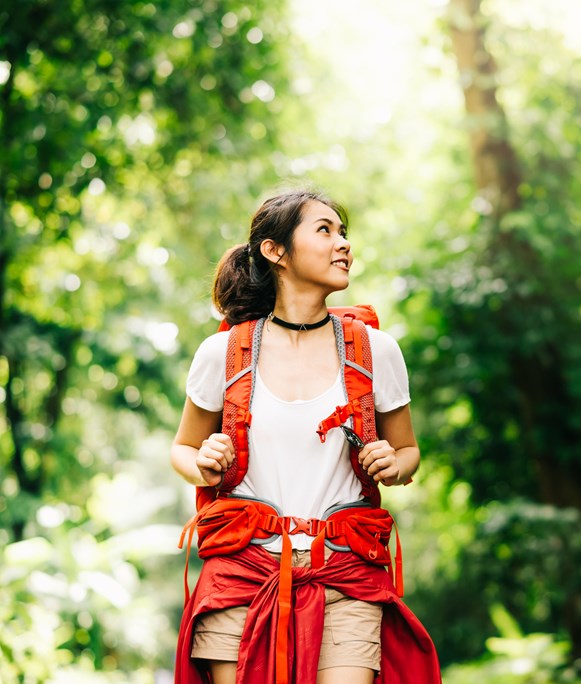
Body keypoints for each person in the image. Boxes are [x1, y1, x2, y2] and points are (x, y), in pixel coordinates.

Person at [170, 189, 440, 684]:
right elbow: (183, 448)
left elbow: (408, 452)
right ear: (276, 252)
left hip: (346, 576)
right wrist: (203, 461)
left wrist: (394, 464)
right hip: (241, 573)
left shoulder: (376, 351)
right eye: (325, 230)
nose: (343, 245)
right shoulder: (222, 354)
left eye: (344, 233)